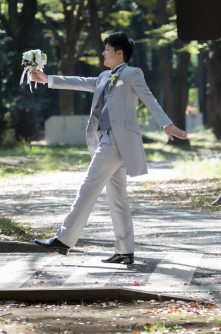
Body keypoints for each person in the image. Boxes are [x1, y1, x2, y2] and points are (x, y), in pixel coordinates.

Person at [29, 32, 187, 264]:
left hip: (116, 140)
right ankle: (124, 251)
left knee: (88, 186)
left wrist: (167, 124)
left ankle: (64, 239)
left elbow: (149, 98)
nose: (103, 53)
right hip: (106, 139)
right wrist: (47, 79)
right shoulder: (104, 76)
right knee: (117, 198)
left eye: (107, 49)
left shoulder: (132, 73)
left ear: (119, 53)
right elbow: (80, 82)